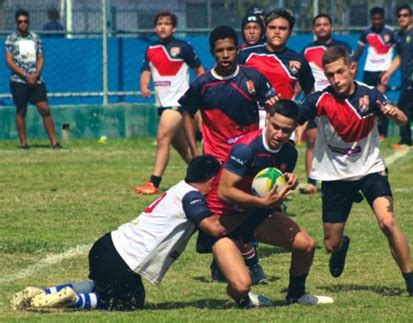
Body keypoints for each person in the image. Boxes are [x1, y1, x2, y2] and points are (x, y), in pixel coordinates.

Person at [11, 155, 227, 311]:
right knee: (130, 301)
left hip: (106, 247)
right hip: (122, 261)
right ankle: (75, 300)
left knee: (104, 286)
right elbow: (214, 228)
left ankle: (45, 292)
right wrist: (250, 210)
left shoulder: (178, 189)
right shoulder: (192, 197)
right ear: (211, 179)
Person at [299, 46, 413, 298]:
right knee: (330, 244)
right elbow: (296, 117)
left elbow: (403, 119)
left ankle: (412, 284)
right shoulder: (319, 98)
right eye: (330, 75)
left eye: (340, 72)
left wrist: (396, 115)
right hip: (335, 176)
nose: (335, 79)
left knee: (388, 222)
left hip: (370, 170)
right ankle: (341, 246)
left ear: (352, 69)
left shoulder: (370, 95)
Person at [210, 99, 334, 306]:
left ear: (294, 129)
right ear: (267, 119)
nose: (279, 134)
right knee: (241, 285)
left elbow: (271, 182)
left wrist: (287, 181)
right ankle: (243, 298)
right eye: (275, 127)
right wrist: (261, 201)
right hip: (224, 222)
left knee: (307, 245)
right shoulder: (246, 149)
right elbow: (224, 191)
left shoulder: (289, 153)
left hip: (256, 214)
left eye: (286, 130)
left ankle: (297, 294)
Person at [181, 25, 278, 284]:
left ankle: (221, 259)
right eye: (219, 50)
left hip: (247, 157)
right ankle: (249, 262)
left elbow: (274, 109)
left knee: (245, 209)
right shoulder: (202, 84)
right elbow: (186, 113)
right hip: (216, 160)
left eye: (229, 49)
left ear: (238, 49)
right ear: (213, 53)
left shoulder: (253, 78)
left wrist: (270, 140)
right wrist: (193, 151)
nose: (225, 54)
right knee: (223, 214)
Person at [134, 11, 205, 195]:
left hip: (178, 103)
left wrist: (204, 91)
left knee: (162, 138)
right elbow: (146, 70)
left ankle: (153, 183)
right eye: (159, 23)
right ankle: (208, 176)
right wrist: (143, 82)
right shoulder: (151, 50)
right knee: (184, 149)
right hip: (162, 104)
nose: (163, 26)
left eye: (167, 23)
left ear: (174, 27)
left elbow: (199, 70)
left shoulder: (183, 47)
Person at [300, 13, 352, 194]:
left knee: (340, 140)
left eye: (325, 24)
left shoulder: (343, 47)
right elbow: (302, 78)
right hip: (317, 102)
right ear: (314, 29)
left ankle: (341, 177)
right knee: (313, 140)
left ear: (331, 26)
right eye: (318, 25)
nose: (322, 27)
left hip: (338, 100)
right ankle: (311, 181)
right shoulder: (307, 51)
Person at [5, 9, 62, 149]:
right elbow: (10, 61)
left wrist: (36, 74)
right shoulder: (11, 39)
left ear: (29, 22)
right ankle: (24, 143)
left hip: (36, 79)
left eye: (25, 21)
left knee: (44, 108)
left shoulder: (35, 38)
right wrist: (25, 75)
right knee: (21, 110)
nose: (23, 24)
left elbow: (41, 57)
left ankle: (54, 142)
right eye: (20, 22)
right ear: (16, 23)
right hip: (19, 80)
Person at [381, 4, 413, 150]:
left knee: (402, 107)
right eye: (399, 16)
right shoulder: (400, 36)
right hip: (405, 79)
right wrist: (388, 73)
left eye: (405, 15)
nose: (401, 18)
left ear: (411, 17)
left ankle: (405, 140)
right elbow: (399, 57)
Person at [353, 6, 396, 139]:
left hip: (383, 72)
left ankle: (383, 132)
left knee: (381, 100)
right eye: (374, 19)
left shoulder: (391, 32)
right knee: (366, 100)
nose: (376, 21)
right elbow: (358, 52)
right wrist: (353, 62)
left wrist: (389, 70)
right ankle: (367, 130)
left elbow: (399, 52)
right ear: (371, 19)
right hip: (369, 71)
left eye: (379, 19)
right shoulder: (366, 33)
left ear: (383, 18)